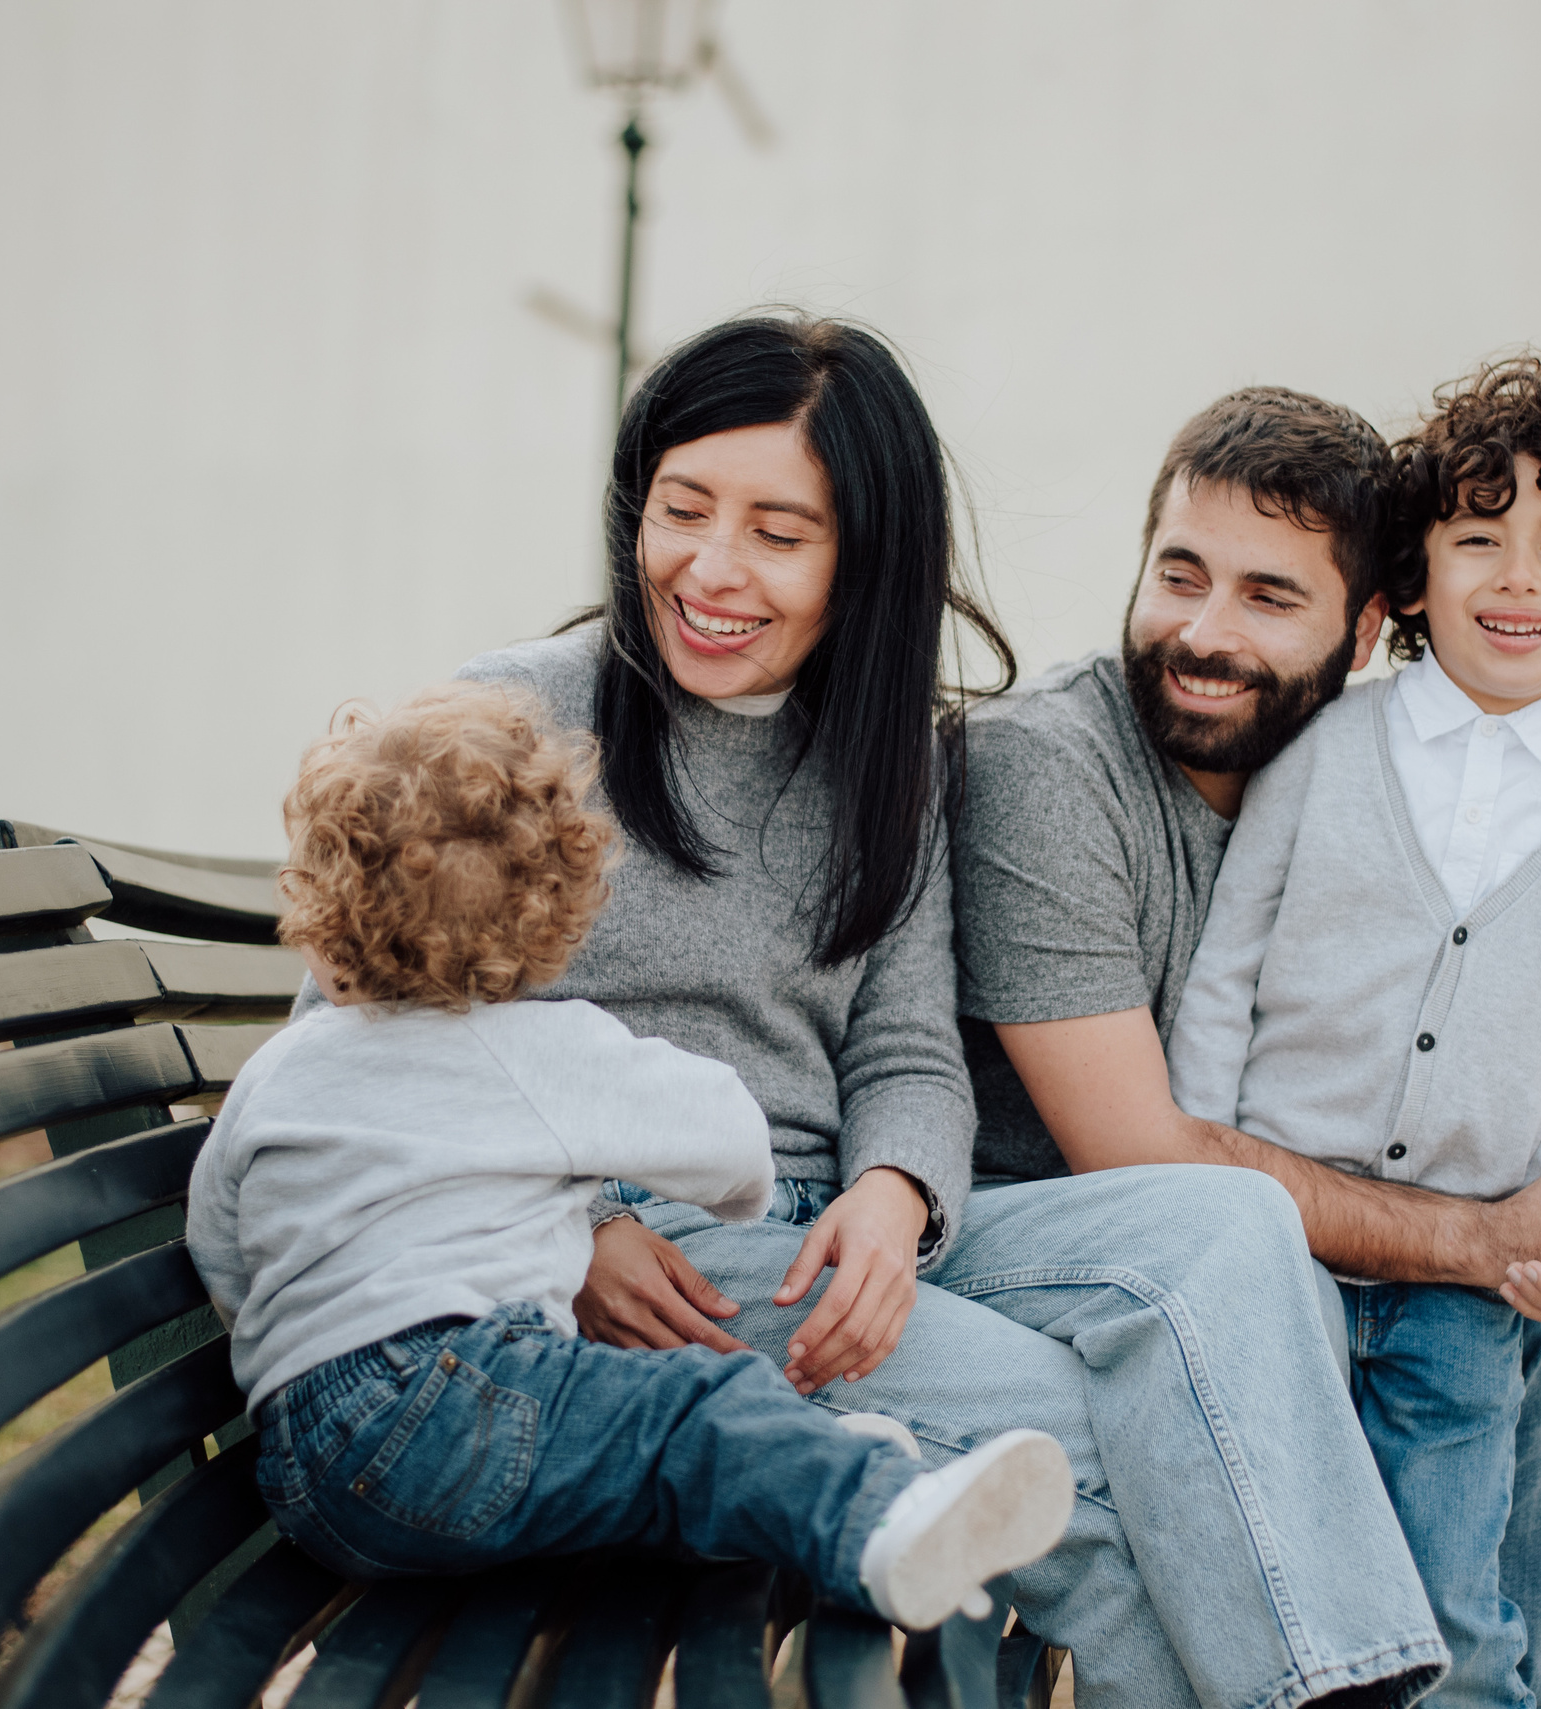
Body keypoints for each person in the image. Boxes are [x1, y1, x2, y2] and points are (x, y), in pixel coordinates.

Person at [348, 315, 1451, 1708]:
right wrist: (575, 1227)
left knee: (1233, 1223)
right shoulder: (517, 715)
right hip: (667, 1254)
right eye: (682, 511)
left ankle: (1339, 1680)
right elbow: (373, 1022)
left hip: (851, 1226)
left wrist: (895, 1192)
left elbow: (909, 1047)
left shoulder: (886, 757)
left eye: (778, 532)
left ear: (862, 555)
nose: (712, 567)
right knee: (1098, 1446)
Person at [954, 382, 1541, 1709]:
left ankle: (1501, 1686)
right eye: (1179, 575)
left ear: (1366, 629)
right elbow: (1157, 1150)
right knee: (1346, 1267)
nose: (1203, 631)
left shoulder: (1372, 761)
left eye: (1268, 596)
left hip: (1280, 1224)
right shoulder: (1059, 770)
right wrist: (1492, 1236)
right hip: (1052, 1230)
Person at [187, 682, 1075, 1629]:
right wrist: (745, 1204)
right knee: (698, 1401)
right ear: (553, 918)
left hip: (308, 1467)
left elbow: (223, 1249)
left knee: (641, 1452)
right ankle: (881, 1521)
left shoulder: (280, 1071)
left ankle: (818, 1473)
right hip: (458, 1403)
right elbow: (731, 1140)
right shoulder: (545, 1050)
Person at [1163, 356, 1541, 1706]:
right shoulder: (1328, 747)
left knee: (1454, 1596)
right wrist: (1196, 1172)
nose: (1515, 576)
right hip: (1278, 1248)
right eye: (1477, 537)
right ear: (1411, 579)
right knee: (1284, 1561)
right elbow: (1227, 969)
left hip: (1477, 1271)